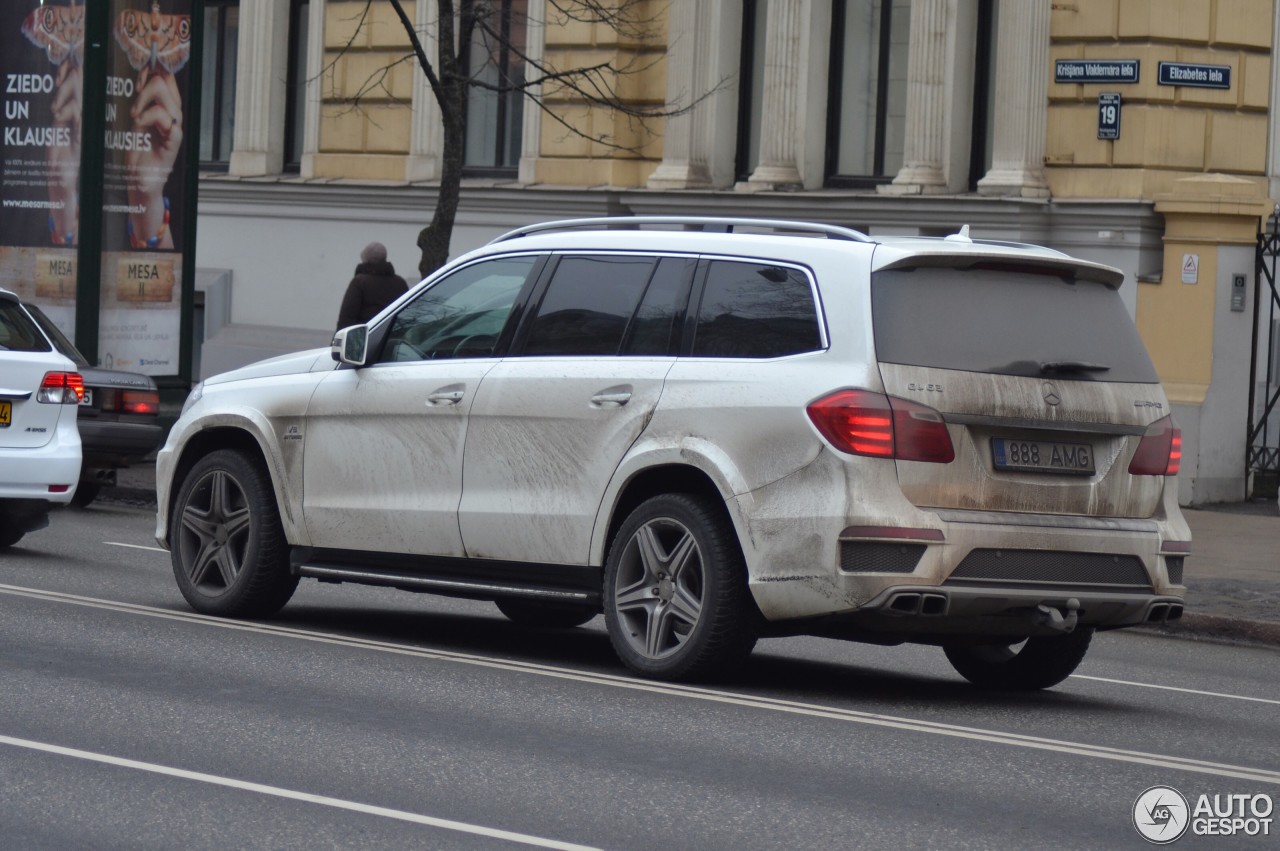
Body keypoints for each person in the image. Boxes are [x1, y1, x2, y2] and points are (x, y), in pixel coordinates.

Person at [336, 242, 409, 330]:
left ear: (365, 259)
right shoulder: (400, 283)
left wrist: (338, 339)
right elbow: (407, 313)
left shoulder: (360, 282)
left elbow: (347, 316)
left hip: (366, 336)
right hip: (393, 336)